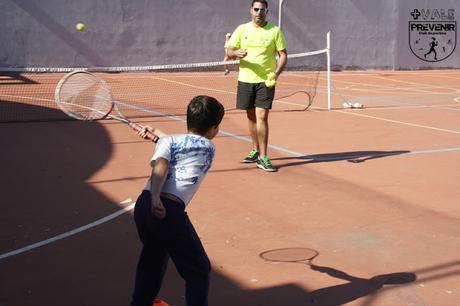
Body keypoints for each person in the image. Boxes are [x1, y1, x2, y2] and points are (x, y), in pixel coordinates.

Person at [130, 95, 225, 306]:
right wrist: (157, 197)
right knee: (199, 271)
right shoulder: (209, 147)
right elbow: (161, 164)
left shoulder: (168, 141)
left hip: (143, 206)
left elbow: (168, 153)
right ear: (212, 129)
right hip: (168, 210)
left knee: (153, 258)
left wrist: (158, 138)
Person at [226, 0, 287, 172]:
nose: (259, 12)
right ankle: (255, 149)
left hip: (265, 81)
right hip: (245, 79)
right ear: (251, 10)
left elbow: (283, 55)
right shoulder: (242, 29)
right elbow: (229, 51)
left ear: (267, 11)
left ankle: (263, 156)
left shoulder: (274, 31)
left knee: (262, 116)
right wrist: (235, 52)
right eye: (256, 9)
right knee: (251, 116)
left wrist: (276, 73)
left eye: (262, 9)